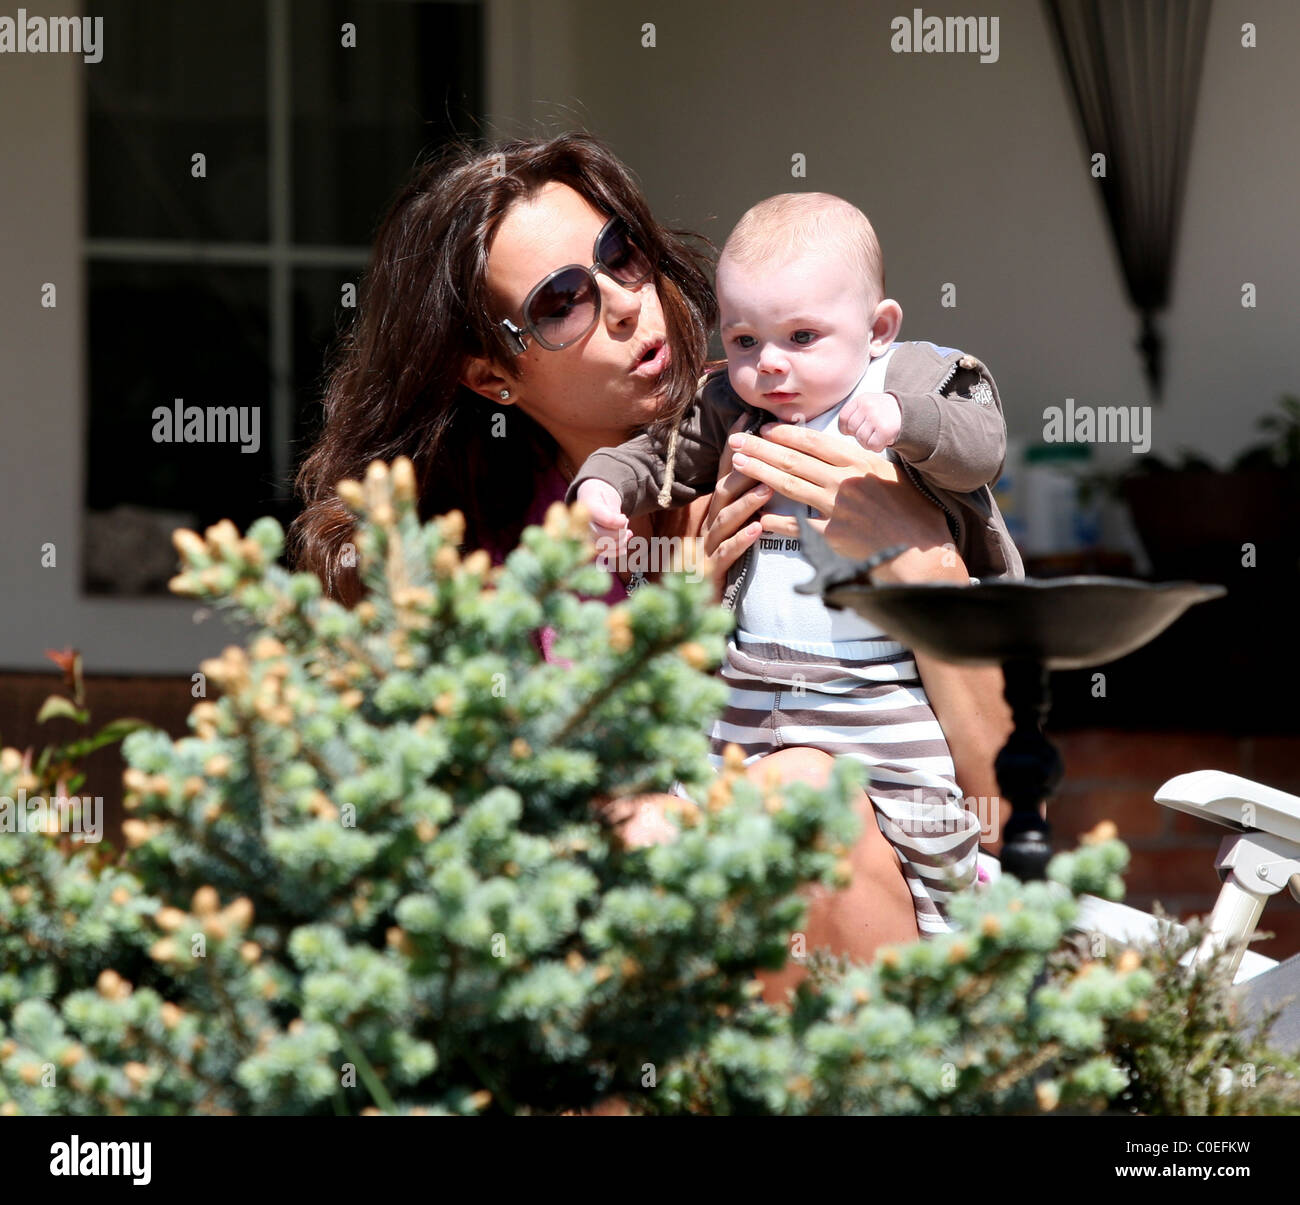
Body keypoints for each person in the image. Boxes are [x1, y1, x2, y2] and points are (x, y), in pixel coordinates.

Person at [290, 132, 1010, 994]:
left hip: (888, 940)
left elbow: (1003, 804)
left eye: (618, 253)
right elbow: (497, 846)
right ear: (492, 379)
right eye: (562, 302)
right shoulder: (475, 569)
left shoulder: (808, 418)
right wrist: (679, 623)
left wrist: (920, 561)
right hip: (627, 990)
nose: (626, 302)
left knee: (805, 789)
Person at [569, 193, 1022, 935]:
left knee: (922, 821)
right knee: (712, 810)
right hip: (758, 684)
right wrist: (600, 484)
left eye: (801, 336)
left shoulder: (904, 379)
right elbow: (661, 454)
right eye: (744, 339)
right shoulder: (732, 409)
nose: (768, 365)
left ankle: (950, 939)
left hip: (880, 688)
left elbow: (981, 445)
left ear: (878, 330)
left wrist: (908, 425)